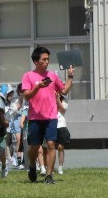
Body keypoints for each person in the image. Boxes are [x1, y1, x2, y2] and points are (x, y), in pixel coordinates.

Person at [21, 46, 74, 184]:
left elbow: (64, 90)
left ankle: (49, 175)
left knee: (51, 144)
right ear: (36, 61)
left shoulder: (53, 76)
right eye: (44, 59)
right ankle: (32, 165)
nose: (47, 62)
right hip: (35, 117)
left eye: (48, 59)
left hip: (51, 116)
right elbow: (27, 96)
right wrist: (37, 87)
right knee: (34, 147)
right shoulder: (28, 76)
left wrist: (70, 76)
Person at [53, 94, 70, 174]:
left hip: (61, 125)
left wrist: (57, 99)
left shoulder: (64, 100)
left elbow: (63, 110)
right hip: (51, 124)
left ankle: (60, 167)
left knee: (60, 147)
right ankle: (51, 167)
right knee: (51, 147)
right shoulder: (50, 99)